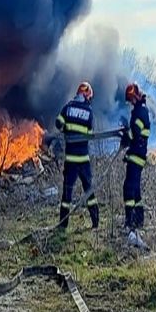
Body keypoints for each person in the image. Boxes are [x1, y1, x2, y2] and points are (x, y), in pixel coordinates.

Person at [55, 81, 99, 229]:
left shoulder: (68, 107)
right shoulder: (89, 112)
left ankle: (62, 225)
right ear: (87, 96)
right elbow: (90, 134)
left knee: (67, 193)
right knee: (89, 191)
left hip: (70, 160)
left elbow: (58, 124)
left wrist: (67, 129)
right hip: (83, 160)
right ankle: (95, 222)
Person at [120, 82, 150, 245]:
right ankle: (138, 220)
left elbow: (135, 134)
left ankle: (130, 221)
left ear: (136, 97)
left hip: (137, 155)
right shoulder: (141, 110)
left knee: (129, 188)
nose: (130, 102)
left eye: (131, 99)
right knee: (136, 189)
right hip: (137, 154)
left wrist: (126, 135)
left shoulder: (139, 112)